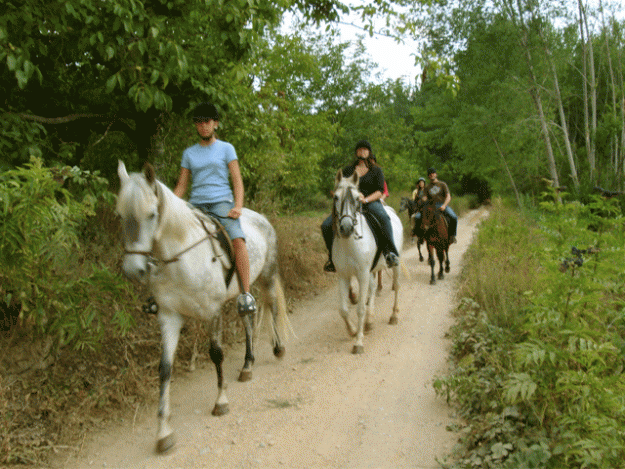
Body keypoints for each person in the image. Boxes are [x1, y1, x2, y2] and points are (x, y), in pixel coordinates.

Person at [173, 102, 256, 315]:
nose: (203, 126)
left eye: (207, 122)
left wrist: (238, 206)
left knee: (238, 240)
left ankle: (245, 294)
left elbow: (237, 180)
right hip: (196, 205)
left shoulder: (227, 148)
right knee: (170, 236)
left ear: (215, 124)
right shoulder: (189, 153)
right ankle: (167, 295)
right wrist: (171, 205)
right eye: (199, 123)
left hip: (222, 204)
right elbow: (182, 185)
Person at [321, 140, 400, 273]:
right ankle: (332, 258)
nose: (362, 152)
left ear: (369, 152)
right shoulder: (348, 170)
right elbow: (342, 187)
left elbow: (380, 191)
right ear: (356, 152)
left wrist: (366, 199)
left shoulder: (376, 170)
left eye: (365, 149)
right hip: (350, 205)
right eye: (359, 149)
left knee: (384, 217)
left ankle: (390, 253)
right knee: (326, 225)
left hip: (370, 203)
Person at [424, 168, 457, 244]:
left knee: (454, 217)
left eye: (433, 173)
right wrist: (423, 198)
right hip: (432, 207)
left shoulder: (442, 184)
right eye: (430, 174)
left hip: (442, 205)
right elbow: (425, 198)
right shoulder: (427, 187)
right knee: (421, 219)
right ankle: (423, 237)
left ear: (436, 174)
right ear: (428, 176)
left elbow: (448, 196)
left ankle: (452, 236)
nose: (431, 174)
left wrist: (444, 205)